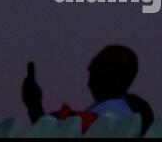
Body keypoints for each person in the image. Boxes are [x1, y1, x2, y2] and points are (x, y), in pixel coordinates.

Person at [22, 45, 154, 134]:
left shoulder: (112, 110)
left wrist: (34, 106)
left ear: (115, 75)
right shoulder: (120, 109)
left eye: (96, 65)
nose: (89, 69)